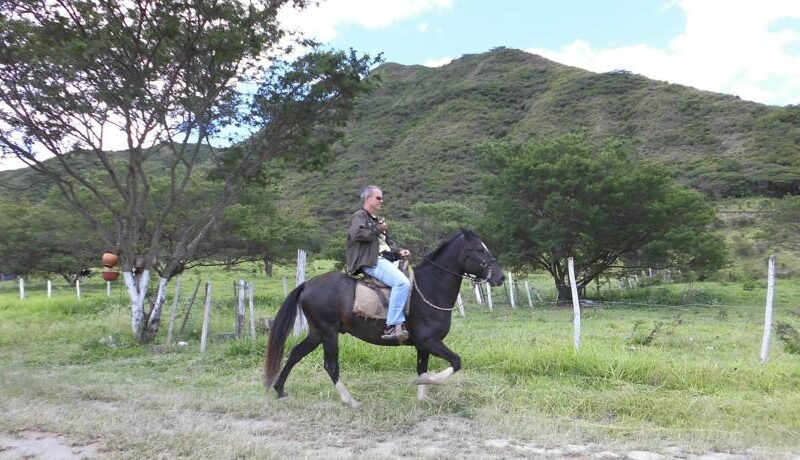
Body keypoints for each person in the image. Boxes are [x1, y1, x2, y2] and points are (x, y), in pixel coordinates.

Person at [345, 185, 411, 341]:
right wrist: (378, 228)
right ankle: (392, 326)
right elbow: (357, 234)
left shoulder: (377, 221)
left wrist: (399, 251)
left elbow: (385, 244)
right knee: (402, 283)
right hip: (371, 261)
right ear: (367, 199)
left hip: (383, 259)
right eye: (378, 197)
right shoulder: (359, 216)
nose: (382, 200)